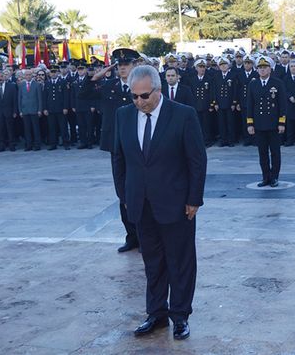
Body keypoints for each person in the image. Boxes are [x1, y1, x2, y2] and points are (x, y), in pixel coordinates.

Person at [112, 65, 206, 340]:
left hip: (177, 204)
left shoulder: (183, 115)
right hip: (141, 204)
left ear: (158, 90)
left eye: (144, 96)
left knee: (180, 261)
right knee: (153, 262)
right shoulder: (124, 116)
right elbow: (118, 159)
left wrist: (194, 199)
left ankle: (180, 316)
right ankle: (156, 313)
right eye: (134, 96)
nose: (139, 102)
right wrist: (125, 196)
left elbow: (197, 161)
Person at [81, 48, 141, 253]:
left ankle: (144, 235)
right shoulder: (109, 86)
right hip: (116, 145)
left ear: (134, 66)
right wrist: (94, 77)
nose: (122, 68)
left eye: (126, 65)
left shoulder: (141, 86)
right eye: (119, 65)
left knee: (139, 191)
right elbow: (84, 94)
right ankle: (131, 236)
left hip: (138, 145)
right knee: (122, 193)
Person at [246, 56, 287, 187]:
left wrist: (281, 122)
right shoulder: (253, 84)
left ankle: (274, 177)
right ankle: (265, 177)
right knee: (262, 153)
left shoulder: (277, 83)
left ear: (270, 69)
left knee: (275, 152)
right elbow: (250, 105)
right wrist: (250, 123)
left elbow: (282, 104)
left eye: (265, 68)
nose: (262, 70)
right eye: (260, 68)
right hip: (259, 124)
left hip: (274, 123)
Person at [211, 57, 238, 147]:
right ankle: (223, 140)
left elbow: (235, 90)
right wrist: (215, 103)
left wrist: (234, 103)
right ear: (219, 66)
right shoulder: (216, 76)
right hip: (220, 103)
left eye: (225, 64)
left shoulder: (233, 75)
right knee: (221, 123)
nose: (223, 66)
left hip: (229, 103)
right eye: (221, 65)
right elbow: (214, 90)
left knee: (230, 123)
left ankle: (231, 140)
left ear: (228, 65)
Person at [43, 65, 70, 150]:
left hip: (61, 108)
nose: (53, 74)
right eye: (52, 72)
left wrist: (65, 107)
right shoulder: (47, 83)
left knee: (63, 127)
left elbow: (66, 96)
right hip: (50, 109)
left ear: (58, 73)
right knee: (52, 127)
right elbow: (45, 97)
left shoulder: (62, 82)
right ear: (49, 74)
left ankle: (66, 143)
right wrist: (45, 108)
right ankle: (53, 144)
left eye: (55, 72)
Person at [0, 71, 18, 151]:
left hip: (9, 111)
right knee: (0, 129)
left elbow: (15, 100)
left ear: (4, 77)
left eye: (1, 76)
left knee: (10, 129)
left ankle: (12, 144)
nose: (0, 78)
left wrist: (15, 111)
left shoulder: (11, 87)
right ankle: (2, 145)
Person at [18, 69, 43, 151]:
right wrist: (20, 110)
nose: (28, 76)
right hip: (25, 110)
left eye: (29, 75)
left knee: (36, 128)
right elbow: (19, 98)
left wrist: (39, 109)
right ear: (24, 76)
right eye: (26, 75)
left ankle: (37, 145)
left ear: (32, 75)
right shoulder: (21, 85)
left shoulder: (37, 85)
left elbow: (40, 98)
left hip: (34, 110)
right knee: (27, 129)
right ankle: (28, 145)